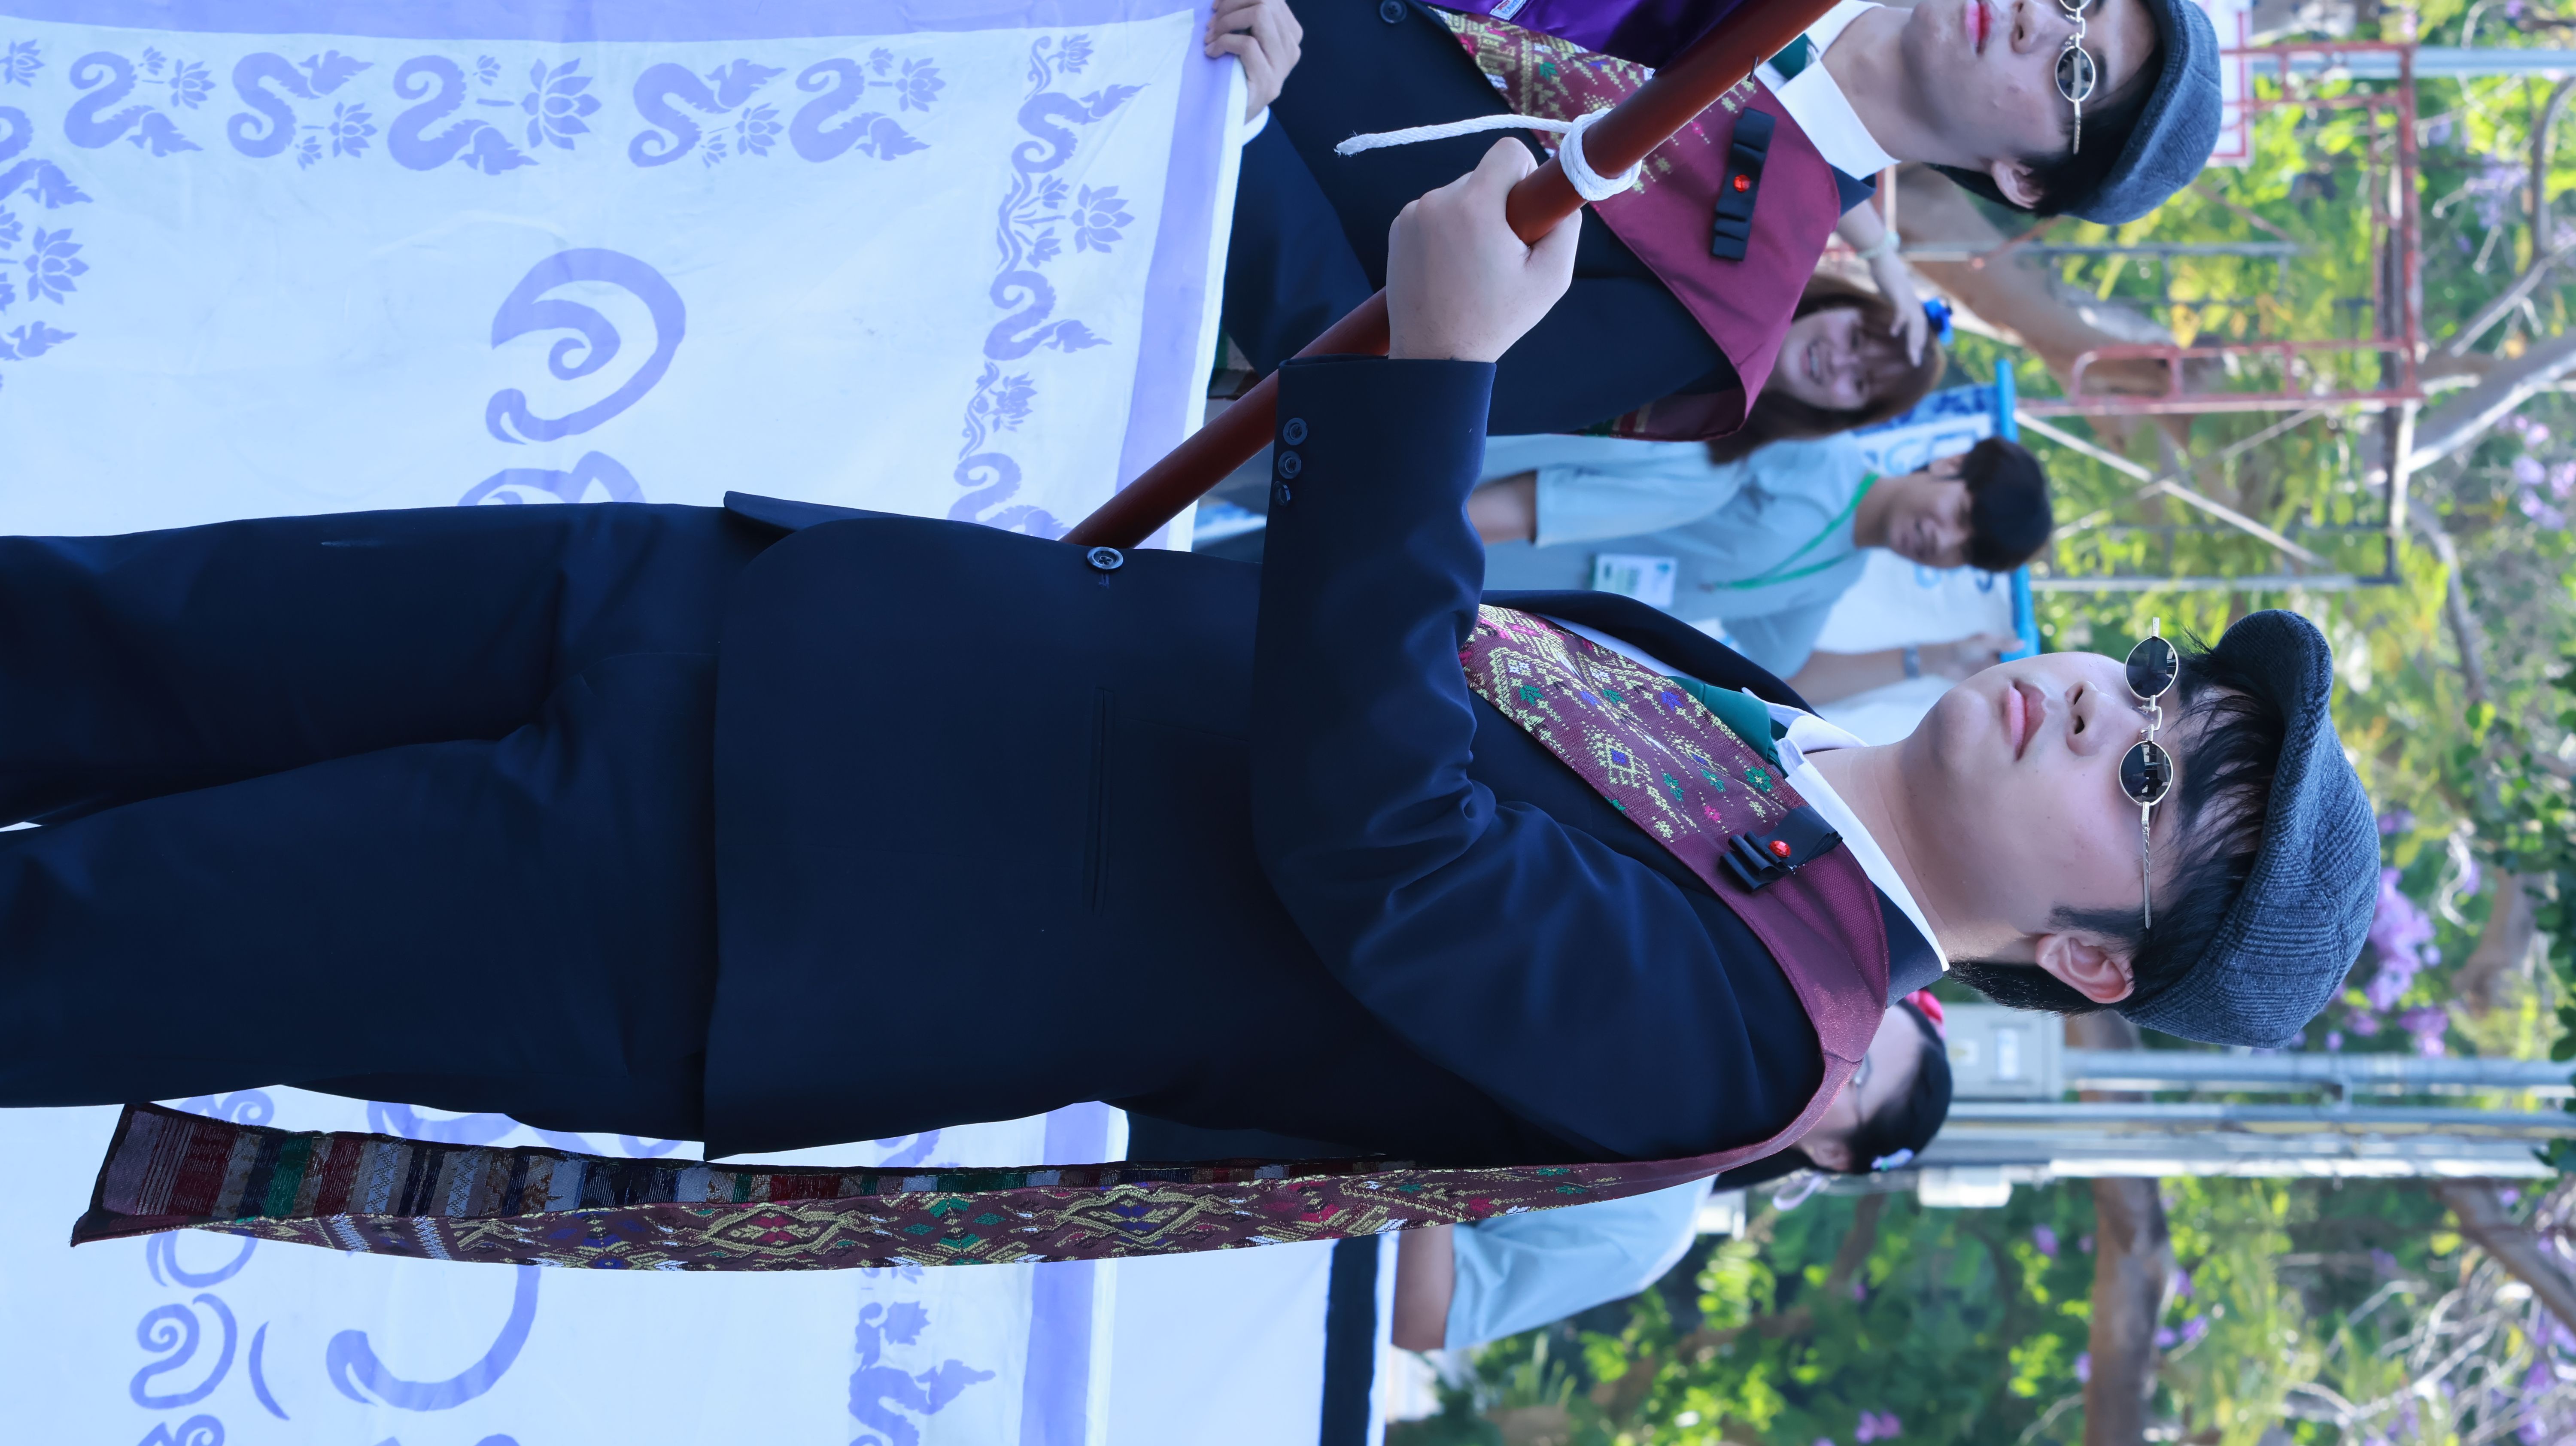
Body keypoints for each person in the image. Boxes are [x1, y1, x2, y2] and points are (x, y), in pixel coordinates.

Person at [3, 143, 2372, 1192]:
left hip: (742, 906)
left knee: (80, 933)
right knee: (102, 628)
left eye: (2151, 787)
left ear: (2088, 955)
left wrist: (1442, 377)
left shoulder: (1770, 1037)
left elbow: (1387, 842)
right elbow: (1323, 606)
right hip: (771, 622)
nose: (2110, 707)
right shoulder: (1718, 694)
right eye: (2156, 682)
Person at [1227, 0, 2220, 438]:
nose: (2039, 18)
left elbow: (1356, 367)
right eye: (2075, 0)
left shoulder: (1727, 300)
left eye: (2073, 71)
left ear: (2025, 180)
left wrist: (1244, 126)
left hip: (1193, 120)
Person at [1390, 999, 1950, 1351]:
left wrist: (1426, 1149)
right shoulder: (1681, 989)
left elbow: (1427, 1316)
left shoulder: (1652, 1225)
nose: (1838, 1041)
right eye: (1860, 1019)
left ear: (1833, 1155)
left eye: (1860, 1070)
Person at [1469, 433, 2050, 695]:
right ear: (1950, 464)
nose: (1943, 539)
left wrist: (1929, 660)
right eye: (1961, 515)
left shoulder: (1836, 578)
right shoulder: (1818, 447)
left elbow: (1780, 678)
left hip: (1501, 604)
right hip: (1494, 497)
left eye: (1964, 552)